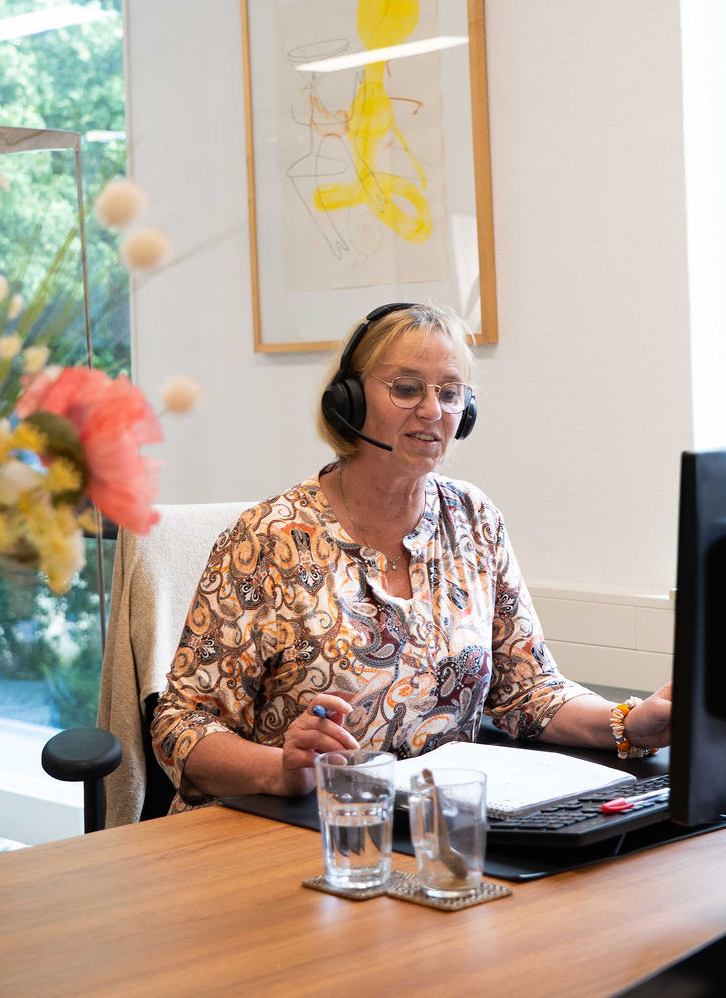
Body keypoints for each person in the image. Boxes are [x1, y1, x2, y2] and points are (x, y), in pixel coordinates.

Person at [151, 302, 672, 811]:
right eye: (406, 388)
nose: (432, 411)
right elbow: (180, 724)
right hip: (283, 823)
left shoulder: (473, 518)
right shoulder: (267, 538)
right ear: (348, 402)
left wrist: (630, 723)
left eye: (450, 393)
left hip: (428, 825)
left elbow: (528, 689)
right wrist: (281, 771)